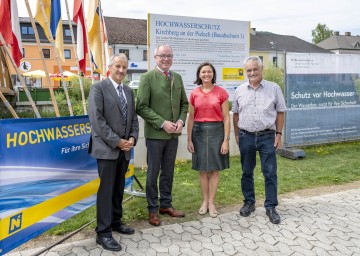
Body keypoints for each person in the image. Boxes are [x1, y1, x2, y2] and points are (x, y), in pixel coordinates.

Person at [88, 53, 139, 251]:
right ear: (110, 67)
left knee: (118, 188)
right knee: (106, 190)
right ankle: (103, 232)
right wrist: (117, 142)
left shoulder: (128, 91)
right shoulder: (98, 88)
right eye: (117, 66)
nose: (121, 70)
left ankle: (116, 222)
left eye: (124, 68)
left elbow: (133, 119)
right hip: (107, 149)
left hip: (125, 150)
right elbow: (97, 121)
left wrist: (133, 138)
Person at [136, 44, 189, 226]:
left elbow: (184, 104)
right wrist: (162, 123)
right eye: (162, 56)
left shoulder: (178, 78)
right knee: (153, 174)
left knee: (168, 172)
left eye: (169, 56)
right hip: (155, 135)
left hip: (173, 135)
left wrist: (181, 121)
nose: (166, 59)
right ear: (155, 57)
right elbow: (141, 107)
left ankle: (165, 204)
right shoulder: (147, 78)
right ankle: (152, 209)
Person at [232, 56, 286, 224]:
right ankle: (249, 202)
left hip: (267, 137)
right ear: (245, 72)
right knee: (246, 171)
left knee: (270, 172)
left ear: (261, 69)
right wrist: (236, 135)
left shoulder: (274, 88)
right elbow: (235, 114)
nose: (252, 72)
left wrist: (278, 134)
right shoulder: (239, 90)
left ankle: (270, 206)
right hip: (246, 136)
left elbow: (281, 112)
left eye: (255, 69)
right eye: (249, 70)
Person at [187, 62, 230, 218]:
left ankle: (212, 202)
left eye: (209, 72)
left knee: (214, 169)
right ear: (199, 74)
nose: (206, 74)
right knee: (203, 170)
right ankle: (204, 201)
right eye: (203, 72)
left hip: (217, 132)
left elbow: (226, 118)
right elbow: (191, 118)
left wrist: (226, 140)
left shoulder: (221, 93)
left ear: (213, 74)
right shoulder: (194, 94)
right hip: (198, 133)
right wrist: (189, 140)